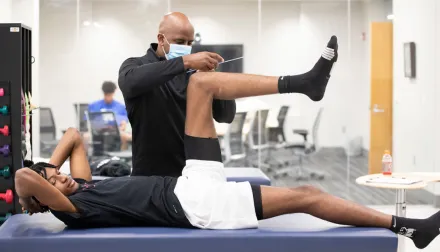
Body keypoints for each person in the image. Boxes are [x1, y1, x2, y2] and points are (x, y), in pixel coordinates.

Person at [15, 35, 439, 250]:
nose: (61, 178)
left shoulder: (82, 186)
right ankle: (406, 227)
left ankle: (304, 83)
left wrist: (52, 171)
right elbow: (22, 176)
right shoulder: (75, 210)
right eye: (53, 183)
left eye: (57, 175)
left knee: (200, 83)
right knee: (308, 195)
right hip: (197, 206)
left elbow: (71, 137)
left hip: (188, 181)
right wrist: (39, 190)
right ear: (49, 198)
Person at [118, 12, 236, 177]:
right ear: (161, 39)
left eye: (190, 43)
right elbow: (131, 83)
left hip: (191, 175)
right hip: (149, 177)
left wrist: (216, 80)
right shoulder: (136, 66)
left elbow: (226, 116)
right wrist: (185, 62)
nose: (186, 47)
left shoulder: (195, 75)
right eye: (180, 42)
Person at [88, 81, 132, 150]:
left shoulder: (120, 107)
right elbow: (89, 122)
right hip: (98, 132)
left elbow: (123, 125)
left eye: (110, 95)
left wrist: (119, 128)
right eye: (106, 95)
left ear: (113, 93)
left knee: (126, 136)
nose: (108, 98)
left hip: (116, 132)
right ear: (103, 93)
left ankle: (123, 158)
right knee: (85, 136)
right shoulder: (94, 106)